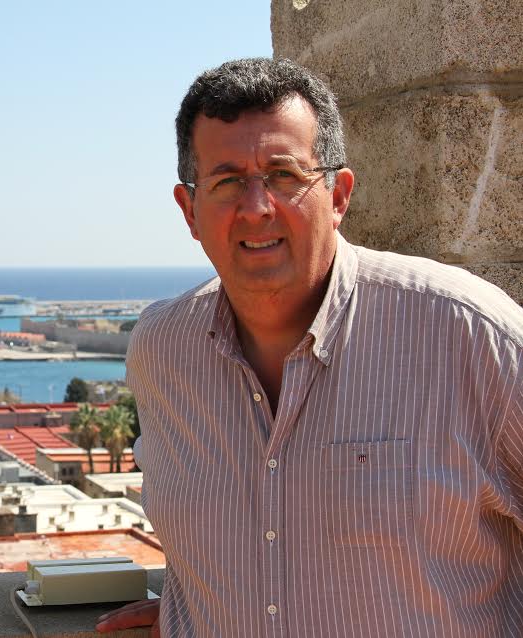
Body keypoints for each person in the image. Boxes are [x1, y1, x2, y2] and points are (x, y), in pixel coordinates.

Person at [96, 57, 523, 637]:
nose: (256, 207)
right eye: (226, 182)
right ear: (190, 210)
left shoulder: (469, 334)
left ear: (338, 194)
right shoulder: (162, 351)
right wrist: (199, 598)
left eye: (284, 176)